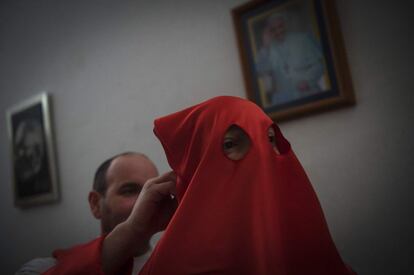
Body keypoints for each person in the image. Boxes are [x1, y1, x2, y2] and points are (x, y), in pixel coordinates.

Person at [139, 96, 356, 274]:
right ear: (197, 163)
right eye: (230, 144)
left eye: (270, 140)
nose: (261, 157)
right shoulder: (170, 264)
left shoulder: (313, 251)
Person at [16, 152, 177, 275]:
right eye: (129, 191)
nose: (146, 200)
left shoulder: (179, 265)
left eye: (151, 190)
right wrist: (132, 230)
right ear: (95, 204)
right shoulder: (43, 268)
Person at [255, 12, 326, 106]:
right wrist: (265, 47)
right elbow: (260, 71)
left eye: (280, 26)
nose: (278, 31)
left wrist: (308, 81)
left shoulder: (302, 39)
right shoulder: (268, 49)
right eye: (273, 29)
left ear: (285, 25)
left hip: (309, 93)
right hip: (284, 99)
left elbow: (319, 65)